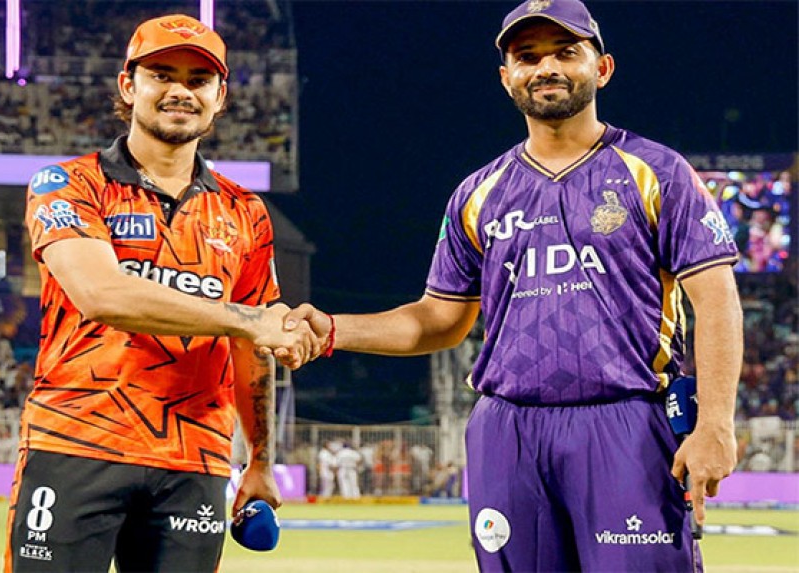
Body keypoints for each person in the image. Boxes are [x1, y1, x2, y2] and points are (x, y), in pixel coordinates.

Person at [282, 0, 743, 570]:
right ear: (507, 78)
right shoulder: (478, 193)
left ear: (602, 69)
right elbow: (438, 320)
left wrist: (715, 423)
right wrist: (331, 328)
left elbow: (716, 300)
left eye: (565, 52)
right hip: (507, 431)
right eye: (527, 57)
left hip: (626, 422)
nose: (545, 67)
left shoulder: (658, 172)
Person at [4, 14, 317, 572]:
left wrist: (260, 461)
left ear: (220, 98)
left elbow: (251, 349)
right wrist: (249, 319)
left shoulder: (246, 212)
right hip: (75, 444)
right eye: (162, 75)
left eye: (199, 80)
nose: (180, 91)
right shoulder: (69, 184)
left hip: (195, 461)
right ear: (128, 86)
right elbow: (102, 295)